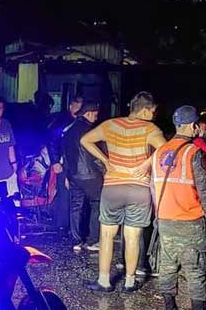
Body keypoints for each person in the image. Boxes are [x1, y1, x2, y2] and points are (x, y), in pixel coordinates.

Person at [152, 105, 206, 310]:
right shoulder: (193, 153)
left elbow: (153, 187)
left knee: (167, 266)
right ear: (193, 126)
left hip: (164, 220)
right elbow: (204, 190)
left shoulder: (159, 152)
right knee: (196, 271)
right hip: (189, 221)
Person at [81, 91, 165, 292]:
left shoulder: (111, 125)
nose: (153, 115)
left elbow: (85, 140)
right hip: (139, 189)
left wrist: (105, 160)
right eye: (152, 111)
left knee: (107, 235)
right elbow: (166, 150)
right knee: (133, 236)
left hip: (113, 187)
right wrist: (147, 164)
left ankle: (104, 280)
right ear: (144, 110)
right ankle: (129, 281)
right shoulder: (151, 129)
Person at [62, 101, 103, 252]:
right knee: (97, 203)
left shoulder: (68, 130)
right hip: (91, 174)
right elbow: (98, 154)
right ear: (89, 113)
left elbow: (65, 154)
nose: (96, 118)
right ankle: (93, 240)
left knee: (76, 206)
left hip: (73, 174)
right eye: (95, 114)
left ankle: (76, 241)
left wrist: (67, 175)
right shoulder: (92, 131)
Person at [48, 94, 85, 236]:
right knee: (64, 193)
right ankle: (62, 225)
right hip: (63, 162)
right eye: (77, 107)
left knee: (76, 194)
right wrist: (55, 161)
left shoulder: (82, 123)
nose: (79, 110)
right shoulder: (61, 121)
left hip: (78, 162)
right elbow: (52, 141)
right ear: (71, 106)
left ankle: (75, 226)